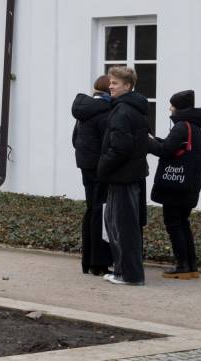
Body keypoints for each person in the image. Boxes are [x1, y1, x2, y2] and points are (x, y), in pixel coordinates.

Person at [97, 66, 150, 286]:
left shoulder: (122, 111)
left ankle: (129, 275)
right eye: (110, 82)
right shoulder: (134, 108)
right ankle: (123, 272)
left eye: (115, 83)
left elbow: (121, 147)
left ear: (127, 86)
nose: (110, 86)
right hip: (130, 175)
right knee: (121, 226)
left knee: (122, 228)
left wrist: (102, 166)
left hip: (122, 177)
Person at [148, 90, 201, 280]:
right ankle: (191, 266)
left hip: (176, 185)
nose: (170, 108)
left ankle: (182, 266)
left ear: (179, 107)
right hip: (189, 184)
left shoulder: (181, 126)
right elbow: (173, 146)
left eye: (172, 105)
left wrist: (147, 142)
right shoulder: (195, 126)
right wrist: (155, 140)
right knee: (183, 222)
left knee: (173, 223)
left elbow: (165, 150)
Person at [71, 75, 113, 275]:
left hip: (85, 165)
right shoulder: (105, 112)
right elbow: (108, 142)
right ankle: (99, 262)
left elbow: (75, 139)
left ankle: (87, 260)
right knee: (100, 211)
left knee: (90, 210)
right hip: (100, 167)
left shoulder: (84, 110)